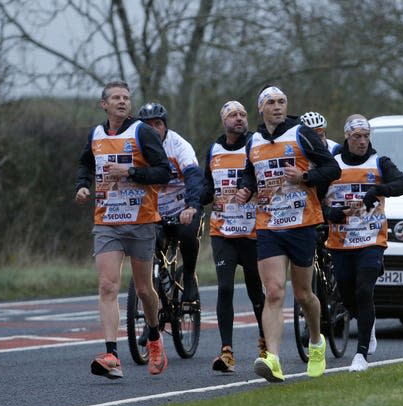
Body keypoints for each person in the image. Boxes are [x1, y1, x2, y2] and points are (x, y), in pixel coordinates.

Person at [235, 86, 341, 382]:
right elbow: (249, 171)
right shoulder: (253, 141)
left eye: (282, 101)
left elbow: (332, 169)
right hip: (269, 226)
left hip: (302, 223)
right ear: (261, 108)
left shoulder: (301, 133)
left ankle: (317, 342)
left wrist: (305, 177)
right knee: (274, 291)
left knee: (305, 294)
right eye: (271, 102)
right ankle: (273, 359)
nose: (278, 106)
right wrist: (246, 188)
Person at [74, 80, 171, 379]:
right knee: (107, 286)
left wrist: (130, 172)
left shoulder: (141, 131)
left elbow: (164, 171)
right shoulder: (96, 135)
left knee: (144, 289)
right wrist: (82, 186)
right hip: (107, 222)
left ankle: (154, 335)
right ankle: (111, 355)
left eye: (126, 98)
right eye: (115, 98)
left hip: (140, 220)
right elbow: (85, 164)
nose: (122, 102)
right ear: (104, 104)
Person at [321, 114, 403, 372]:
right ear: (347, 137)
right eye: (357, 136)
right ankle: (366, 323)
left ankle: (360, 355)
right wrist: (330, 215)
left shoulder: (379, 162)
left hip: (372, 239)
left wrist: (378, 190)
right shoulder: (333, 165)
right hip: (340, 240)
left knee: (364, 290)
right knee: (348, 296)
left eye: (366, 136)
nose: (362, 141)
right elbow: (315, 198)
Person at [200, 100, 266, 373]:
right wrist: (197, 199)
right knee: (225, 288)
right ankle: (226, 352)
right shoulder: (214, 150)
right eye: (232, 115)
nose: (239, 118)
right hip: (222, 231)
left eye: (242, 114)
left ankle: (265, 343)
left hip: (252, 231)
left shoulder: (257, 145)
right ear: (223, 121)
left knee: (255, 292)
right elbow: (207, 183)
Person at [137, 102, 205, 304]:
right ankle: (159, 280)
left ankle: (190, 276)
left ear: (165, 125)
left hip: (182, 207)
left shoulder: (179, 145)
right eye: (148, 126)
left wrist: (192, 206)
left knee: (187, 231)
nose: (153, 129)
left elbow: (194, 176)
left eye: (157, 124)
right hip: (154, 210)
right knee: (145, 240)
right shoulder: (137, 147)